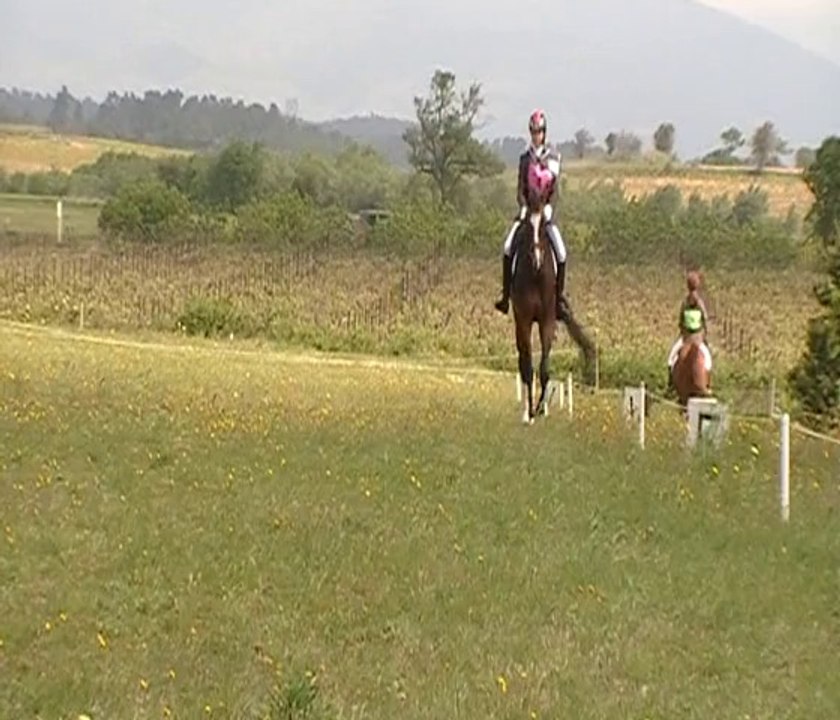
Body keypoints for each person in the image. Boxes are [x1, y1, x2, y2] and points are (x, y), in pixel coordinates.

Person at [494, 109, 570, 321]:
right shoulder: (524, 159)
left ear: (544, 133)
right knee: (508, 247)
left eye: (539, 132)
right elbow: (520, 188)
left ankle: (559, 299)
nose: (536, 135)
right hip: (528, 214)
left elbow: (554, 190)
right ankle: (506, 295)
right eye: (533, 132)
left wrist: (549, 207)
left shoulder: (553, 158)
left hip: (545, 215)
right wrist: (524, 206)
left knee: (561, 253)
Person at [667, 271, 712, 388]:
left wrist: (683, 331)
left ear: (688, 286)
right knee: (707, 360)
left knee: (671, 359)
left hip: (685, 339)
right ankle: (708, 384)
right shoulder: (700, 303)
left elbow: (681, 320)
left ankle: (670, 385)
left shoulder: (685, 302)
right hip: (698, 339)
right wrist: (703, 335)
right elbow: (705, 319)